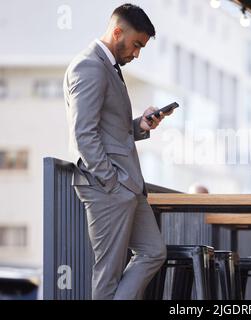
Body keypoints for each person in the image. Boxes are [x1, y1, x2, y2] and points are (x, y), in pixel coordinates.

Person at [63, 4, 173, 299]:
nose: (137, 54)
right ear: (116, 32)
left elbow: (112, 130)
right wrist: (111, 182)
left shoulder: (108, 66)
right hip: (108, 187)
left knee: (152, 251)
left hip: (126, 185)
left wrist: (142, 125)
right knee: (107, 275)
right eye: (136, 44)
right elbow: (82, 133)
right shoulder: (89, 65)